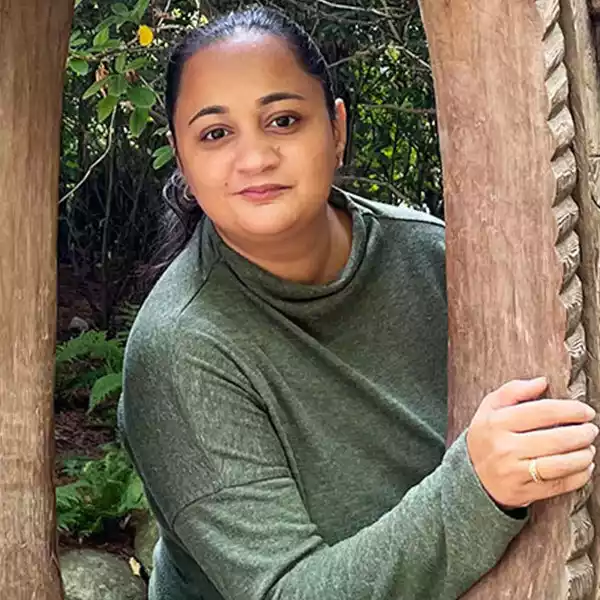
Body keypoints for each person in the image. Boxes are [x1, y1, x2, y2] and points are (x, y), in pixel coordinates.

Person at [117, 7, 598, 599]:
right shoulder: (181, 349)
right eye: (216, 133)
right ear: (182, 158)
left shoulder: (435, 258)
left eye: (283, 120)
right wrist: (476, 489)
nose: (255, 158)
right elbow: (286, 592)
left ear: (337, 128)